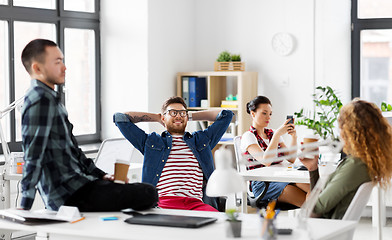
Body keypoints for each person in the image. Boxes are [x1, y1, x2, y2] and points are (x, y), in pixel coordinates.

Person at [20, 39, 158, 211]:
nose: (64, 67)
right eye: (57, 62)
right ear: (37, 68)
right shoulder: (40, 100)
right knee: (148, 193)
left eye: (62, 60)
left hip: (79, 186)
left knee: (144, 192)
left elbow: (75, 153)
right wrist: (24, 207)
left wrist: (102, 176)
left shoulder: (50, 99)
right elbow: (33, 156)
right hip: (69, 195)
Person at [113, 96, 233, 211]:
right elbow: (120, 118)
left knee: (218, 226)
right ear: (163, 118)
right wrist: (157, 117)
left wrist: (187, 115)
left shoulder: (201, 141)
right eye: (173, 113)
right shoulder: (152, 143)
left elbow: (226, 115)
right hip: (164, 203)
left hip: (195, 204)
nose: (178, 116)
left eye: (182, 113)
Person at [300, 99, 392, 219]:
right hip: (329, 229)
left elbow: (316, 207)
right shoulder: (366, 162)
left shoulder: (355, 165)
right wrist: (313, 168)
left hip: (323, 230)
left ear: (351, 130)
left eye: (341, 126)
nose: (340, 132)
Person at [240, 96, 309, 207]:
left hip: (281, 177)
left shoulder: (272, 133)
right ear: (253, 114)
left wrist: (294, 137)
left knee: (314, 188)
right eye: (264, 113)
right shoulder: (249, 136)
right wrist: (277, 135)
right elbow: (266, 160)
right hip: (262, 184)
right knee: (309, 203)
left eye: (270, 114)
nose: (268, 117)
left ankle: (319, 216)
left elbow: (291, 158)